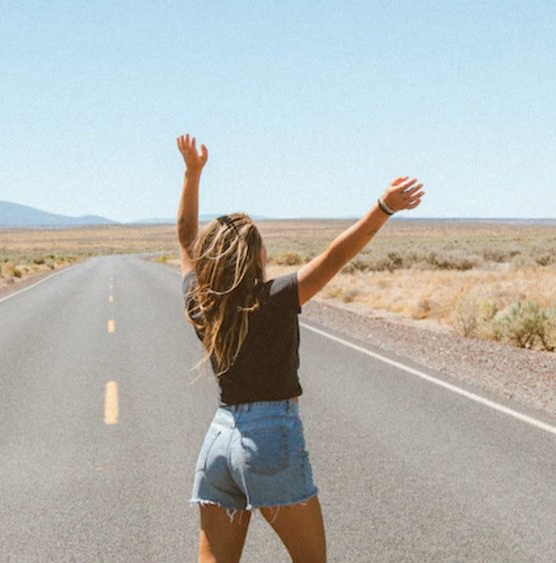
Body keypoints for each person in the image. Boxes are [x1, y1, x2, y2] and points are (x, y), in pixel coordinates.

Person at [176, 133, 424, 563]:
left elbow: (184, 241)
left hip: (218, 439)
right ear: (254, 256)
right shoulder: (273, 299)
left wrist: (192, 174)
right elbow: (335, 256)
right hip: (270, 439)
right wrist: (383, 208)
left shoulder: (202, 303)